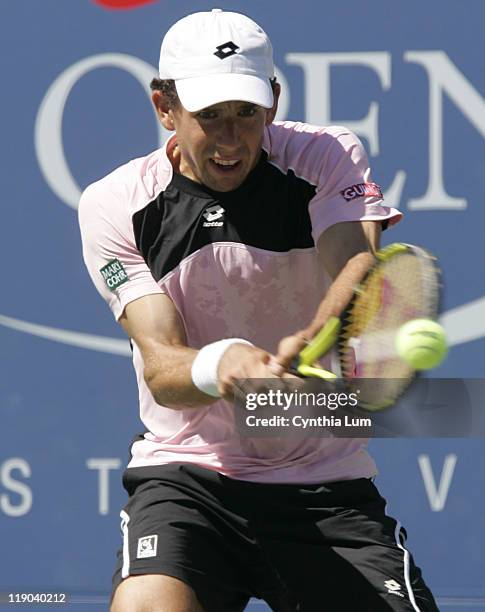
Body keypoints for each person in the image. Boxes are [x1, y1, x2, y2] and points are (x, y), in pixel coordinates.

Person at [78, 8, 438, 612]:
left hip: (325, 485)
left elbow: (356, 261)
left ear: (272, 101)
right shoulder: (116, 204)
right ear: (165, 107)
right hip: (188, 478)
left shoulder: (325, 155)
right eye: (209, 116)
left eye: (246, 113)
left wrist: (319, 333)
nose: (230, 137)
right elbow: (163, 369)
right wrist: (223, 364)